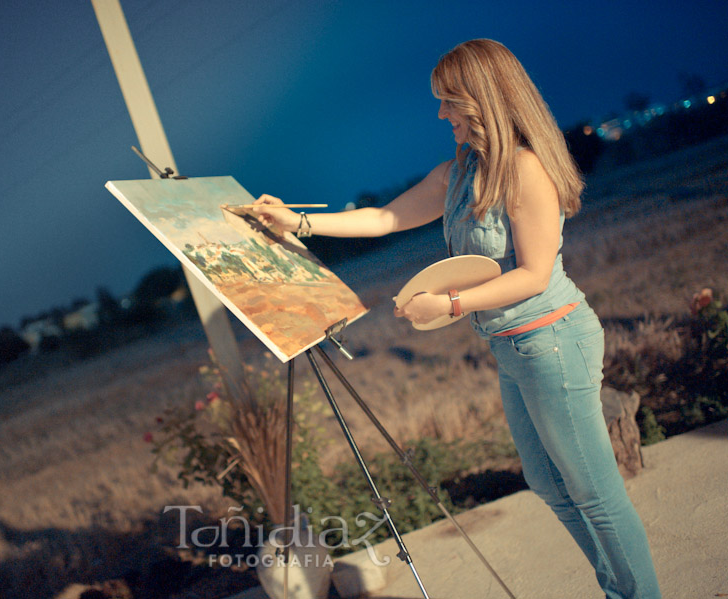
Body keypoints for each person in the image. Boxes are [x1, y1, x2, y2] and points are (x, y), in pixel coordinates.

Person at [252, 39, 661, 599]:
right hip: (513, 348)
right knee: (548, 483)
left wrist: (447, 306)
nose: (441, 113)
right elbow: (385, 216)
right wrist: (297, 223)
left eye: (449, 100)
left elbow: (534, 275)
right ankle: (620, 586)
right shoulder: (460, 172)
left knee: (594, 492)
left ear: (483, 99)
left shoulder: (524, 170)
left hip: (553, 340)